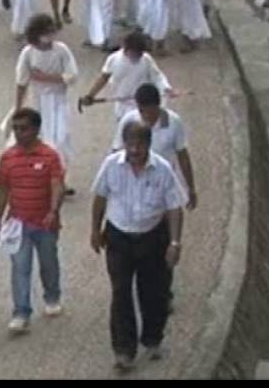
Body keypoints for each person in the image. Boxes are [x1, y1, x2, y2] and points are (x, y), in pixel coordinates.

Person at [90, 121, 185, 373]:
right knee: (120, 292)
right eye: (130, 143)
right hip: (119, 237)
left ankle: (153, 338)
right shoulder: (111, 166)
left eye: (140, 144)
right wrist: (94, 230)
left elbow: (175, 207)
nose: (134, 149)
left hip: (153, 237)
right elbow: (99, 197)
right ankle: (124, 350)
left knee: (153, 292)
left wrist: (174, 242)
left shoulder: (162, 170)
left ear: (149, 144)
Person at [110, 83, 198, 315]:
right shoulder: (129, 122)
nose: (146, 116)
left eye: (149, 111)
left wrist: (191, 187)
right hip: (136, 190)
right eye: (142, 111)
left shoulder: (174, 123)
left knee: (167, 246)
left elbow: (182, 154)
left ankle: (164, 291)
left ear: (158, 106)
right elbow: (116, 154)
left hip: (164, 191)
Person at [0, 107, 66, 336]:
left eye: (23, 128)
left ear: (35, 129)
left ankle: (52, 296)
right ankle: (21, 312)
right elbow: (2, 189)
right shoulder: (8, 157)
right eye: (15, 128)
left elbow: (57, 185)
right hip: (18, 223)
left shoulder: (50, 156)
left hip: (44, 223)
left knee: (48, 263)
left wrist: (54, 210)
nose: (19, 133)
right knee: (20, 268)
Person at [13, 14, 79, 179]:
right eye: (45, 32)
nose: (49, 36)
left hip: (58, 100)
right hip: (38, 101)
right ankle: (40, 174)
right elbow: (22, 81)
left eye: (51, 32)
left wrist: (46, 78)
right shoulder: (28, 53)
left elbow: (72, 76)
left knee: (61, 138)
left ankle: (60, 176)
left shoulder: (61, 50)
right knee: (39, 137)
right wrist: (18, 107)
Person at [81, 31, 176, 121]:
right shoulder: (114, 60)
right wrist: (90, 96)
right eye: (135, 53)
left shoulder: (146, 59)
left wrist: (166, 88)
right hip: (122, 106)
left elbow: (157, 76)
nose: (138, 56)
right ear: (126, 48)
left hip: (142, 105)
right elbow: (103, 78)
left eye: (140, 53)